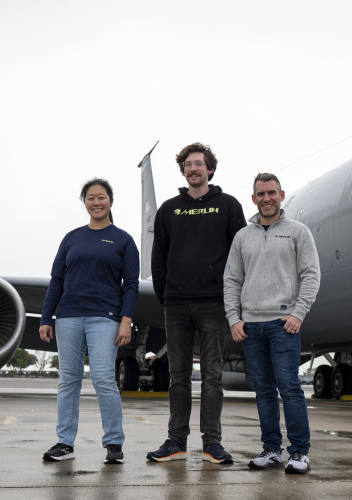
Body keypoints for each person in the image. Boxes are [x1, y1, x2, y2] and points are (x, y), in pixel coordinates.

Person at [147, 142, 246, 465]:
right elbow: (158, 258)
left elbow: (240, 256)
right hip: (176, 305)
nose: (193, 169)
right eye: (188, 164)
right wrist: (166, 296)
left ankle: (211, 444)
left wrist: (233, 299)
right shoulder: (169, 210)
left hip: (213, 304)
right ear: (183, 170)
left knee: (212, 376)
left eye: (199, 164)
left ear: (210, 169)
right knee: (178, 377)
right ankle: (176, 441)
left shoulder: (228, 206)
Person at [223, 173, 321, 474]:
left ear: (281, 195)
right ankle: (271, 449)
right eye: (261, 194)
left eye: (272, 193)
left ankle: (299, 453)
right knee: (264, 390)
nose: (266, 198)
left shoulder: (298, 232)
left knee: (289, 387)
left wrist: (298, 313)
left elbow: (311, 274)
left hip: (283, 324)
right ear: (253, 199)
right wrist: (234, 318)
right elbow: (231, 280)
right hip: (251, 326)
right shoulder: (242, 236)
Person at [39, 178, 140, 464]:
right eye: (90, 198)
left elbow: (130, 285)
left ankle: (114, 444)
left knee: (104, 379)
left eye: (102, 197)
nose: (96, 202)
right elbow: (56, 280)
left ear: (111, 200)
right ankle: (65, 443)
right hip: (68, 318)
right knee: (68, 381)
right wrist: (47, 318)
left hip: (105, 318)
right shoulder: (71, 238)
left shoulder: (123, 240)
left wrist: (126, 320)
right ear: (85, 202)